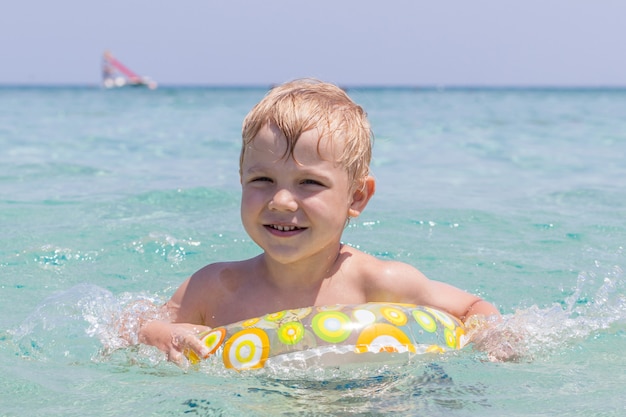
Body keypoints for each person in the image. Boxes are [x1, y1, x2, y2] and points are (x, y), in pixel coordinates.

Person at [132, 79, 502, 365]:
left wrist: (495, 338)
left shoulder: (378, 283)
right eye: (262, 180)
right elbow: (133, 327)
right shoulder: (214, 287)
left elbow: (473, 308)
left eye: (309, 183)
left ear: (356, 197)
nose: (280, 200)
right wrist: (157, 335)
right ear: (241, 180)